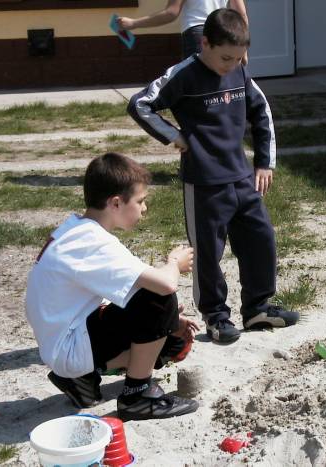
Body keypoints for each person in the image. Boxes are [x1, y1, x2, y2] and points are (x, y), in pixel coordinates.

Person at [127, 8, 298, 344]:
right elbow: (140, 104)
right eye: (225, 58)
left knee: (261, 238)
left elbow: (261, 111)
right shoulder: (184, 74)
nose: (231, 65)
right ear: (204, 43)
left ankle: (257, 307)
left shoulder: (239, 72)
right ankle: (216, 317)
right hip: (204, 182)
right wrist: (173, 135)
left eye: (238, 58)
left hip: (242, 178)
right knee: (207, 252)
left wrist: (265, 162)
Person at [25, 152, 201, 421]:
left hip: (62, 340)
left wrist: (166, 324)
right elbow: (165, 284)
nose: (144, 209)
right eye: (140, 201)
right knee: (158, 298)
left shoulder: (77, 229)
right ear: (116, 203)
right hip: (68, 348)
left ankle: (84, 377)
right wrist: (175, 262)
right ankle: (137, 396)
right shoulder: (92, 242)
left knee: (169, 336)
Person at [116, 0, 249, 62]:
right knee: (221, 89)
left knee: (197, 89)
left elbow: (171, 13)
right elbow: (241, 14)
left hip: (197, 36)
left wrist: (133, 23)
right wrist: (243, 50)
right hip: (221, 33)